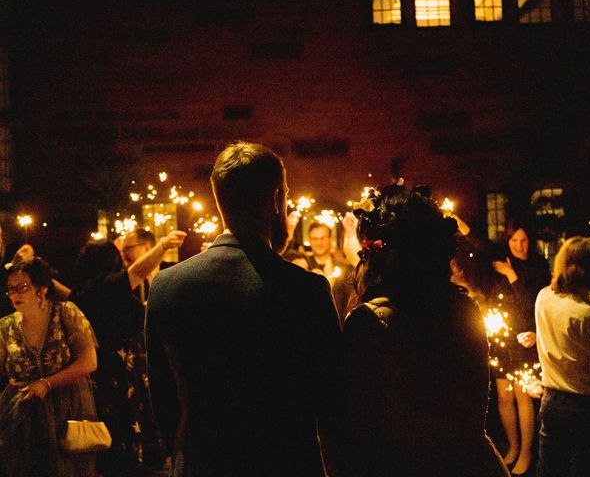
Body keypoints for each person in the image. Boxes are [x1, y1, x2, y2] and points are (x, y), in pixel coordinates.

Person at [145, 141, 341, 477]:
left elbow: (163, 401)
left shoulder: (167, 286)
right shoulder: (306, 291)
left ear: (220, 200)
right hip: (286, 464)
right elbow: (334, 404)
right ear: (276, 200)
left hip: (203, 464)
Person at [333, 185, 509, 476]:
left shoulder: (367, 323)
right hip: (469, 464)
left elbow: (360, 427)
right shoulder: (465, 310)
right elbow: (473, 414)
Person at [71, 230, 185, 477]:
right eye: (118, 255)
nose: (123, 259)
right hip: (119, 378)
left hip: (100, 377)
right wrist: (163, 244)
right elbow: (136, 272)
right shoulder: (105, 288)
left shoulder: (81, 293)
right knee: (126, 444)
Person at [535, 236, 590, 477]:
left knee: (550, 469)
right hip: (588, 408)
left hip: (551, 401)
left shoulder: (544, 297)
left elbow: (573, 303)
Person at [0, 257, 99, 476]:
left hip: (66, 408)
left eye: (23, 287)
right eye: (10, 289)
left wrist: (47, 383)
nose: (15, 294)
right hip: (22, 413)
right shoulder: (5, 327)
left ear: (42, 289)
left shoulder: (66, 313)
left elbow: (89, 361)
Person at [490, 220, 549, 475]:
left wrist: (511, 274)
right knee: (504, 396)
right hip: (502, 337)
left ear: (530, 241)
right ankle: (513, 447)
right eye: (514, 240)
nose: (519, 245)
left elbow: (530, 303)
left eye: (523, 240)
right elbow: (480, 244)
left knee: (524, 396)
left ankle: (526, 452)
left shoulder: (537, 267)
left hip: (526, 338)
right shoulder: (500, 261)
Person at [307, 222, 354, 322]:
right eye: (315, 239)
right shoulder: (303, 267)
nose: (319, 243)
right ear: (310, 241)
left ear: (330, 239)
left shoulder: (346, 268)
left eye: (322, 238)